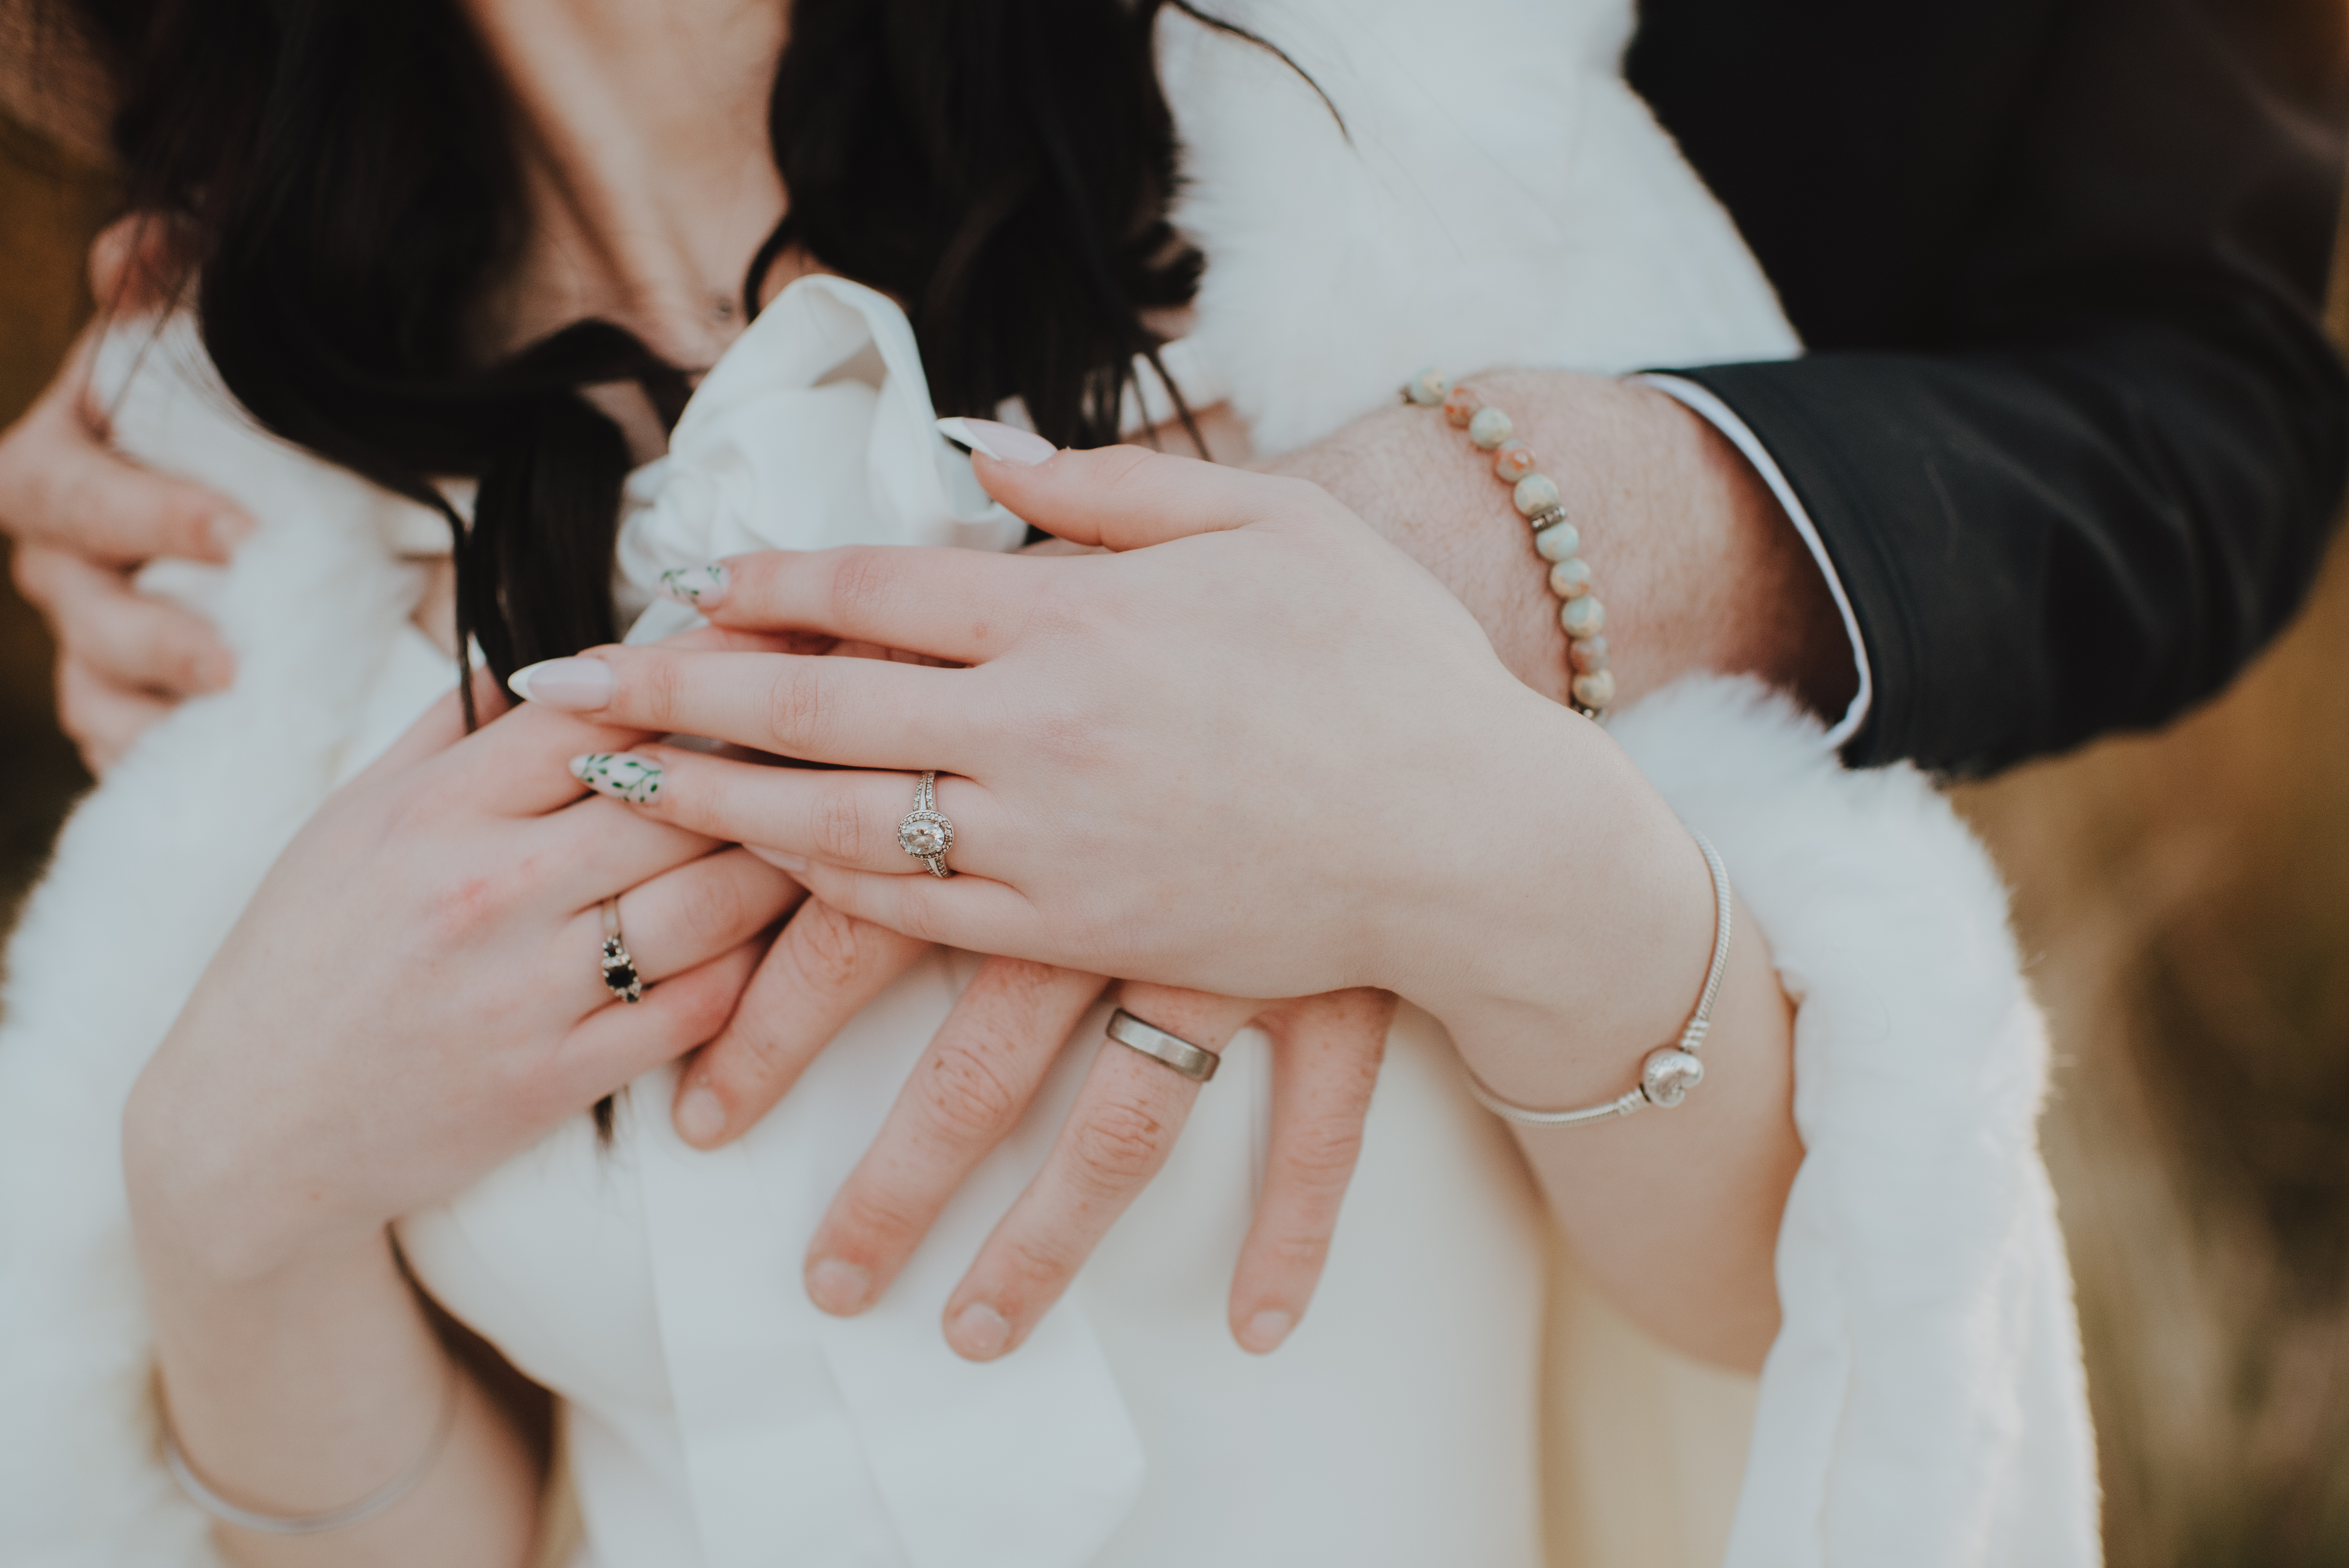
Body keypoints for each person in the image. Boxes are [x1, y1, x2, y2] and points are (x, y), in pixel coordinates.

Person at [0, 1, 2095, 1564]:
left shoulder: (1360, 141)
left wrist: (1465, 845)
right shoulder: (239, 463)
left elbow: (1840, 1295)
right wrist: (228, 1199)